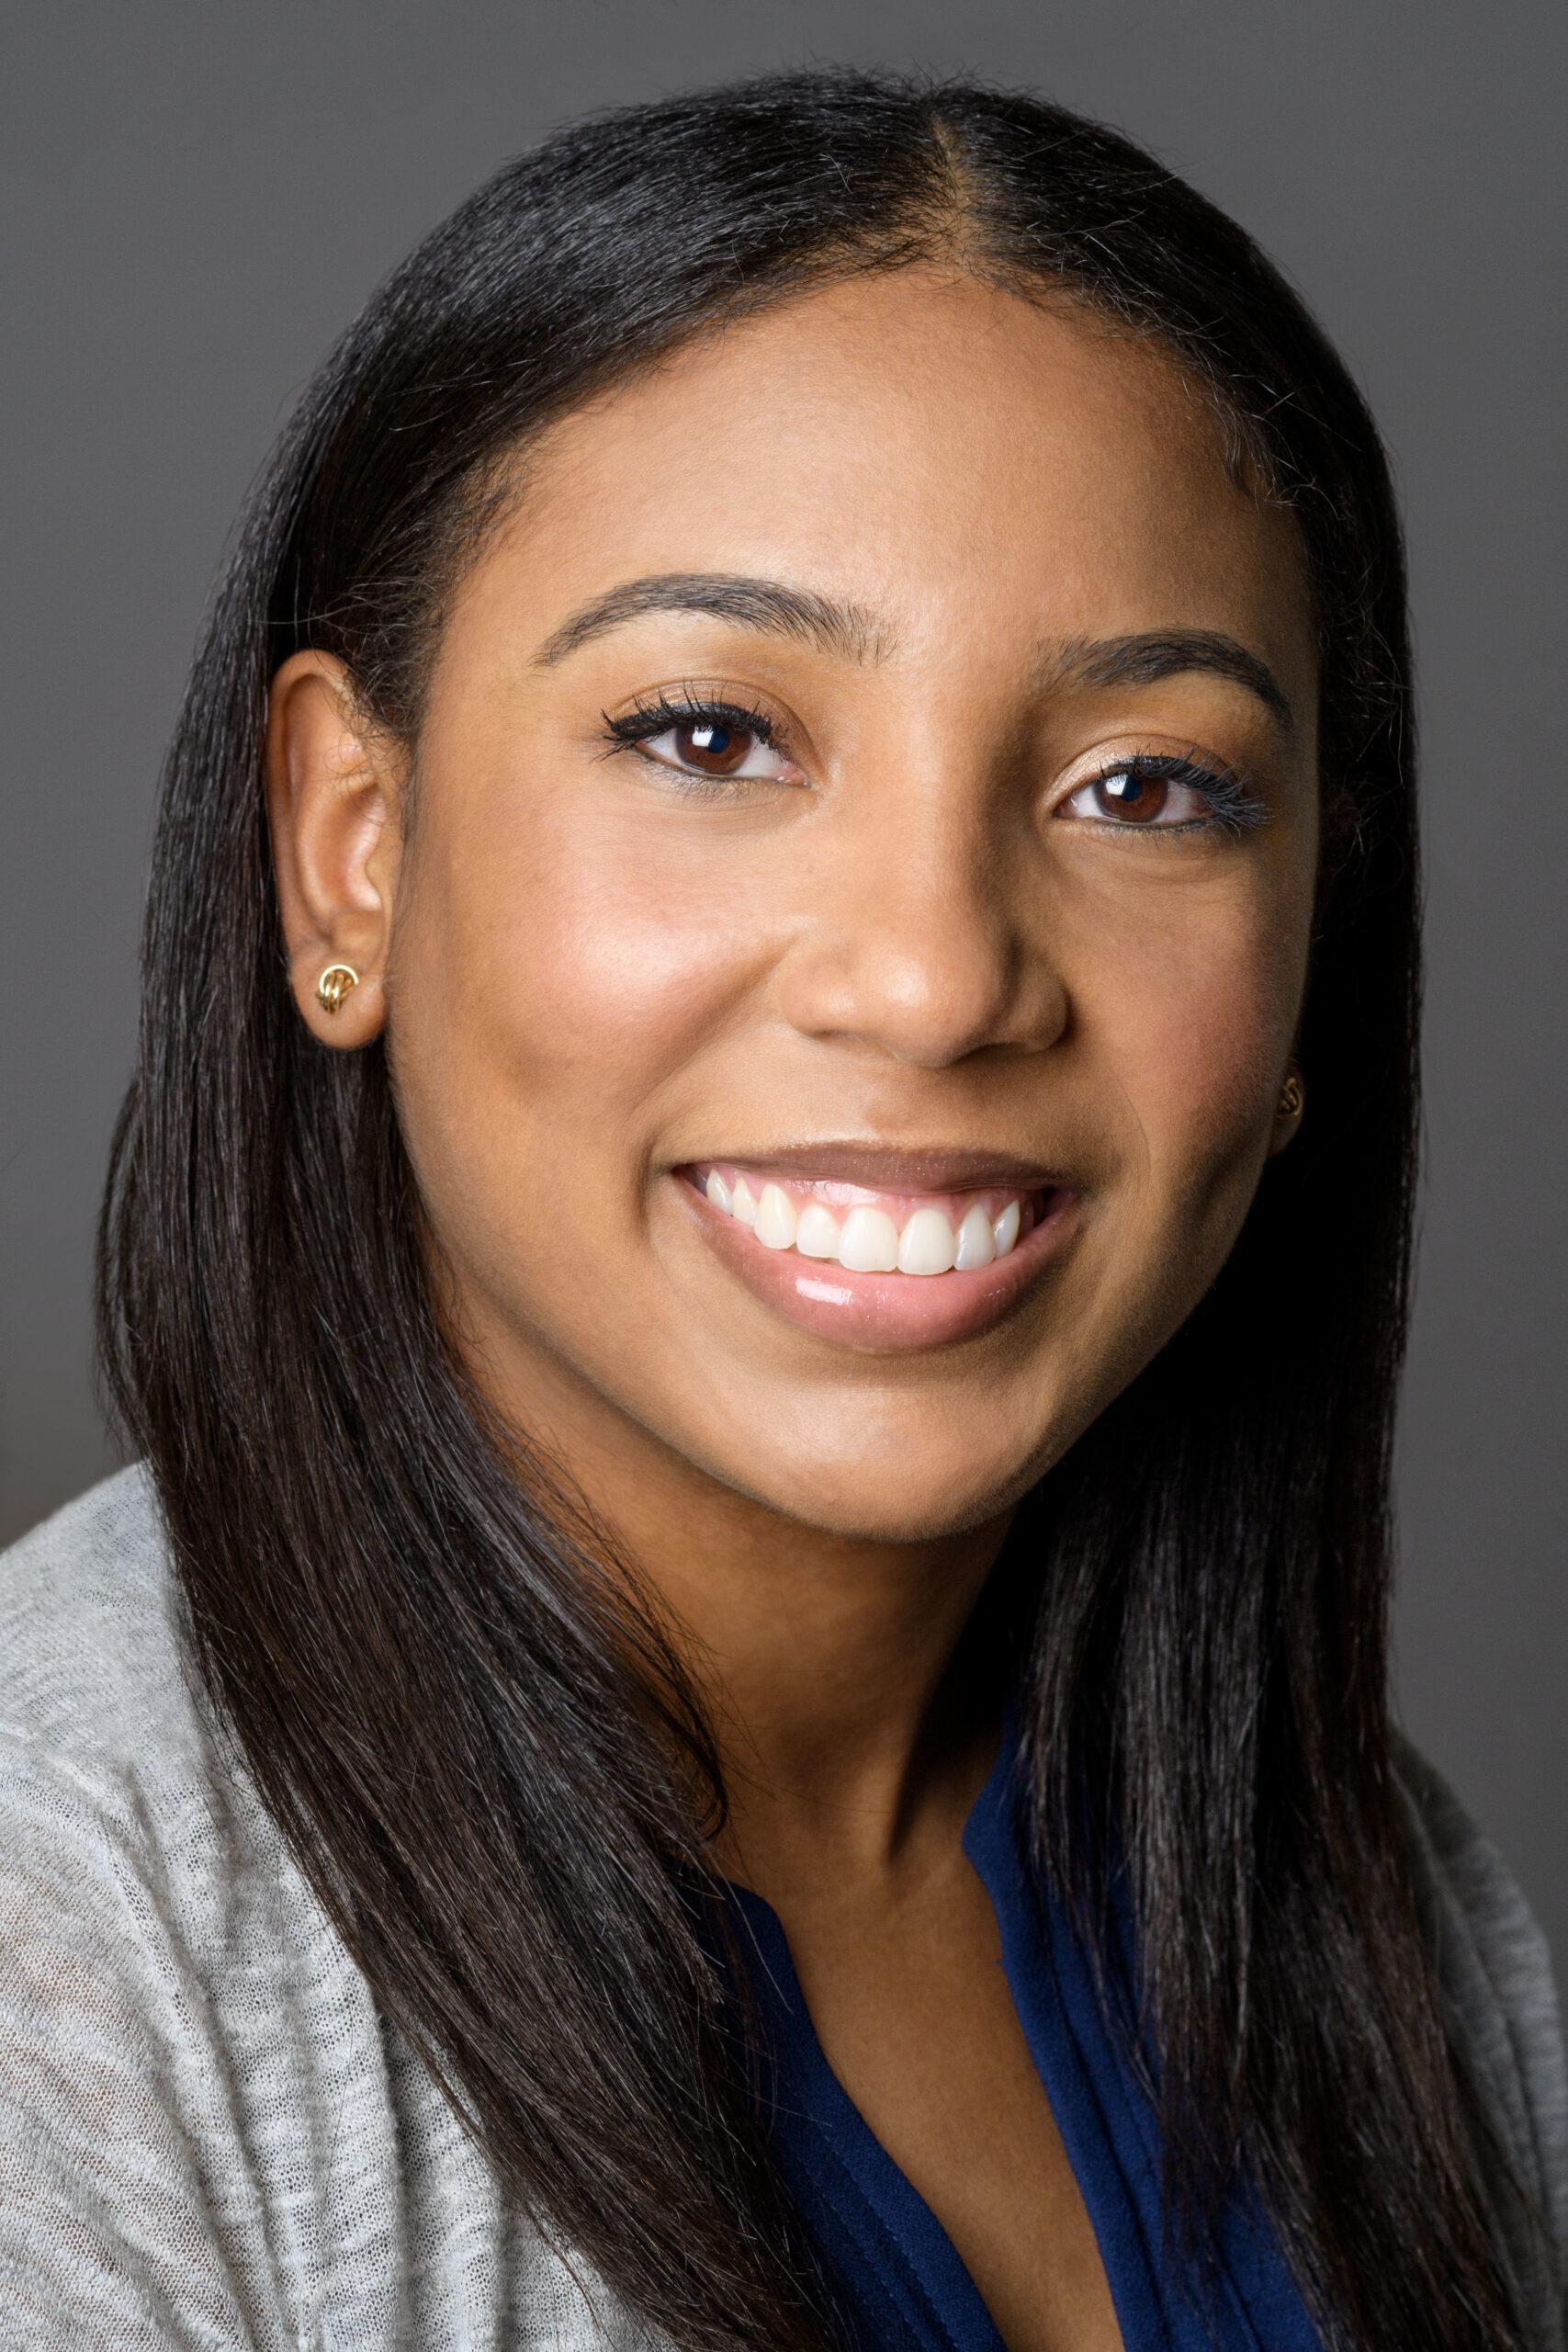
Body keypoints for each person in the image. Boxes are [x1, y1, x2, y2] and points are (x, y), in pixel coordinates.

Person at [0, 66, 1560, 2352]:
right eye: (711, 733)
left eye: (1144, 784)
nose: (934, 974)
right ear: (351, 837)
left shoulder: (1383, 1919)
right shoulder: (68, 1941)